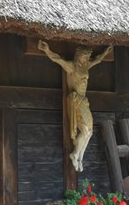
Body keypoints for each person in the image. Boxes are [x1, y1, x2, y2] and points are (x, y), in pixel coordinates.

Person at [38, 40, 112, 172]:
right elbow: (58, 59)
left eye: (87, 57)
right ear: (79, 56)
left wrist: (105, 52)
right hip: (75, 99)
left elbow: (98, 60)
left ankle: (79, 156)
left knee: (89, 132)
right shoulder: (71, 67)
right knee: (84, 130)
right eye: (84, 57)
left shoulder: (86, 66)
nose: (86, 60)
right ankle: (75, 154)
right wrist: (47, 50)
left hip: (84, 100)